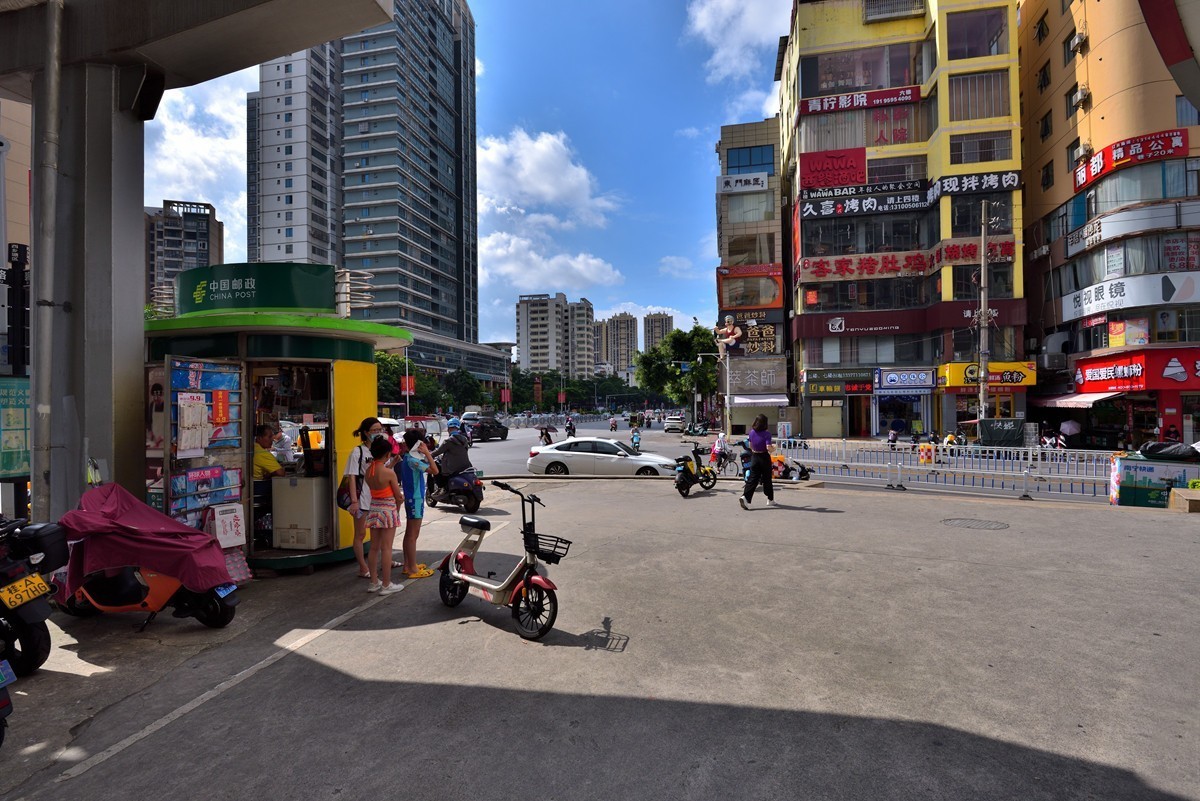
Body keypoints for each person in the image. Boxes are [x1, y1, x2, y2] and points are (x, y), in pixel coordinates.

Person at [345, 417, 399, 580]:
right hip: (362, 499)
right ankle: (363, 567)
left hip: (377, 500)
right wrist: (354, 501)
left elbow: (382, 472)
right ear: (366, 432)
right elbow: (352, 477)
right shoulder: (357, 452)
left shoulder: (380, 450)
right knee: (360, 534)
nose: (378, 433)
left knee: (381, 538)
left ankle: (385, 563)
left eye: (380, 429)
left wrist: (393, 464)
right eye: (375, 430)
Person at [363, 436, 405, 594]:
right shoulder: (389, 473)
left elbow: (379, 478)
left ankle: (374, 582)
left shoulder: (369, 470)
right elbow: (398, 496)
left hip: (374, 508)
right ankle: (387, 584)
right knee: (387, 548)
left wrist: (391, 464)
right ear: (388, 454)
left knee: (374, 548)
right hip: (388, 510)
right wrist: (401, 501)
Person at [398, 428, 438, 579]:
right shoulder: (413, 461)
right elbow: (435, 470)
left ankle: (408, 565)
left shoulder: (407, 457)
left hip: (411, 498)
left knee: (409, 533)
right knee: (413, 535)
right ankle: (413, 569)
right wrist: (427, 453)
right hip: (416, 499)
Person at [739, 414, 775, 510]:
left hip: (754, 456)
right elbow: (768, 448)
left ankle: (745, 497)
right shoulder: (767, 434)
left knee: (753, 478)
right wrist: (773, 448)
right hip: (764, 457)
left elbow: (750, 445)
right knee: (767, 479)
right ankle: (770, 499)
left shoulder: (751, 432)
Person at [430, 417, 472, 498]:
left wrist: (427, 455)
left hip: (452, 468)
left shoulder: (448, 441)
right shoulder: (465, 439)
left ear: (449, 428)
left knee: (436, 466)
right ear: (458, 428)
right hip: (465, 466)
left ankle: (441, 487)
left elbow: (437, 452)